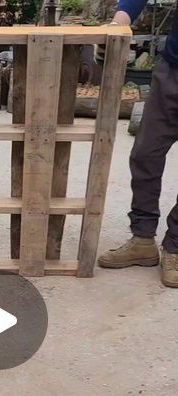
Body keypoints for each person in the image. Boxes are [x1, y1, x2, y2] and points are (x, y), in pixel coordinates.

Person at [98, 1, 178, 288]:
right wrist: (121, 19)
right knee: (146, 152)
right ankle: (143, 238)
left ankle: (175, 247)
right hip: (174, 69)